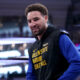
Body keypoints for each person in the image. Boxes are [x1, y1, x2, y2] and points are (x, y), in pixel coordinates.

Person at [25, 3, 80, 80]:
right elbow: (30, 75)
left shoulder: (59, 37)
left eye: (36, 19)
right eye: (29, 21)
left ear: (46, 18)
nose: (32, 24)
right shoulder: (32, 48)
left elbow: (77, 63)